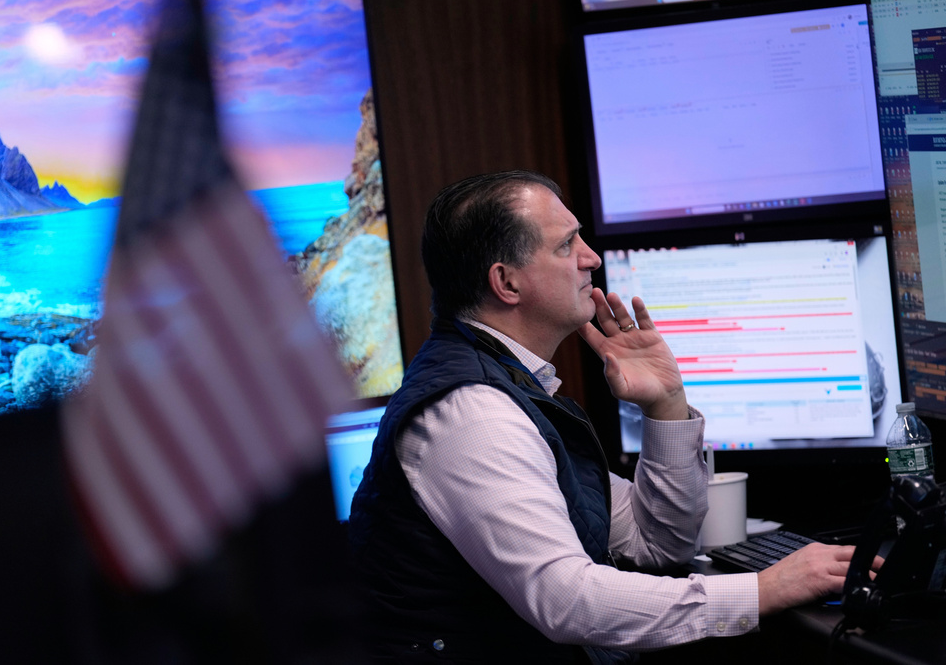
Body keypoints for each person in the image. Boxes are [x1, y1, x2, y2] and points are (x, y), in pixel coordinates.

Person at [347, 170, 878, 663]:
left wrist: (665, 404)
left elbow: (659, 543)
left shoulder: (509, 388)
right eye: (566, 245)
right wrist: (765, 589)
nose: (592, 258)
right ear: (507, 283)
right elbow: (568, 602)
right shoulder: (473, 415)